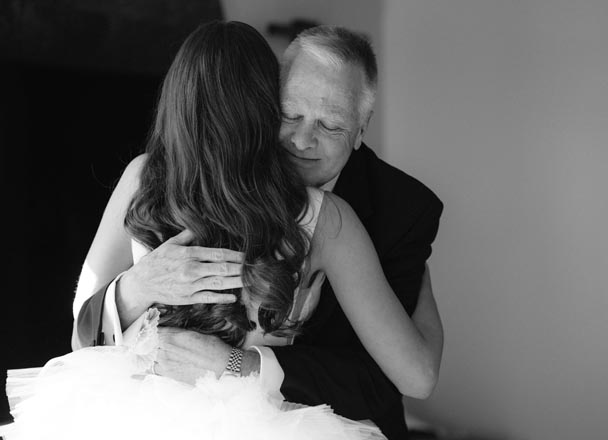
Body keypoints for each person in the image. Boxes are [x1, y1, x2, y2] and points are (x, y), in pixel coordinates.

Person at [3, 21, 442, 440]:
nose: (303, 140)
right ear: (267, 106)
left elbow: (413, 376)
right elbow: (83, 327)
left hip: (219, 411)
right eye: (290, 115)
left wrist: (415, 273)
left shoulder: (336, 216)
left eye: (330, 125)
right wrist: (136, 287)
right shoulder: (147, 177)